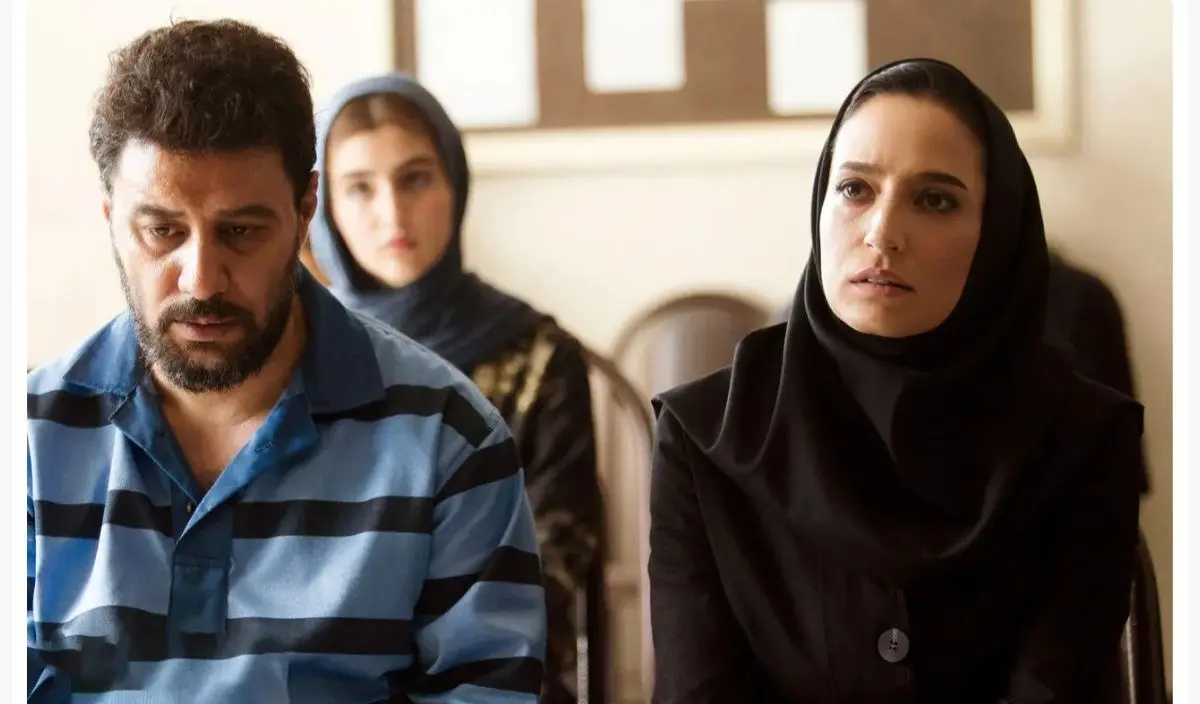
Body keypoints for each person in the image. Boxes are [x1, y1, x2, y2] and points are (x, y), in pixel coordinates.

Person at [27, 20, 545, 703]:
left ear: (305, 212)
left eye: (240, 231)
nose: (201, 280)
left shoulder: (447, 436)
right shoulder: (30, 439)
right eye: (162, 231)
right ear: (110, 219)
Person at [648, 59, 1143, 702]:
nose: (882, 234)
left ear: (996, 233)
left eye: (934, 200)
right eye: (855, 189)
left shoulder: (1083, 438)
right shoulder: (706, 440)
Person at [306, 74, 604, 703]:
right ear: (323, 205)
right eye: (359, 188)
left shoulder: (539, 358)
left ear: (455, 184)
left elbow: (552, 567)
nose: (392, 213)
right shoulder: (297, 357)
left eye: (415, 179)